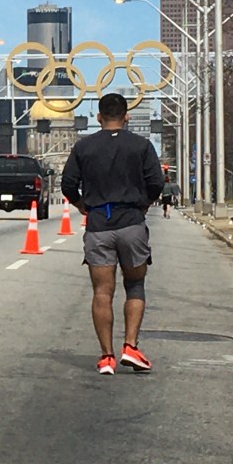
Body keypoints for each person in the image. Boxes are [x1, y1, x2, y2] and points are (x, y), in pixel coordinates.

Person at [61, 92, 164, 375]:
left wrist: (83, 206)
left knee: (102, 292)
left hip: (98, 226)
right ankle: (130, 347)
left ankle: (106, 356)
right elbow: (156, 181)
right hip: (131, 222)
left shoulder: (84, 147)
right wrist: (143, 204)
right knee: (135, 285)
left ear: (98, 117)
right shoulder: (141, 146)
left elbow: (68, 184)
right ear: (126, 117)